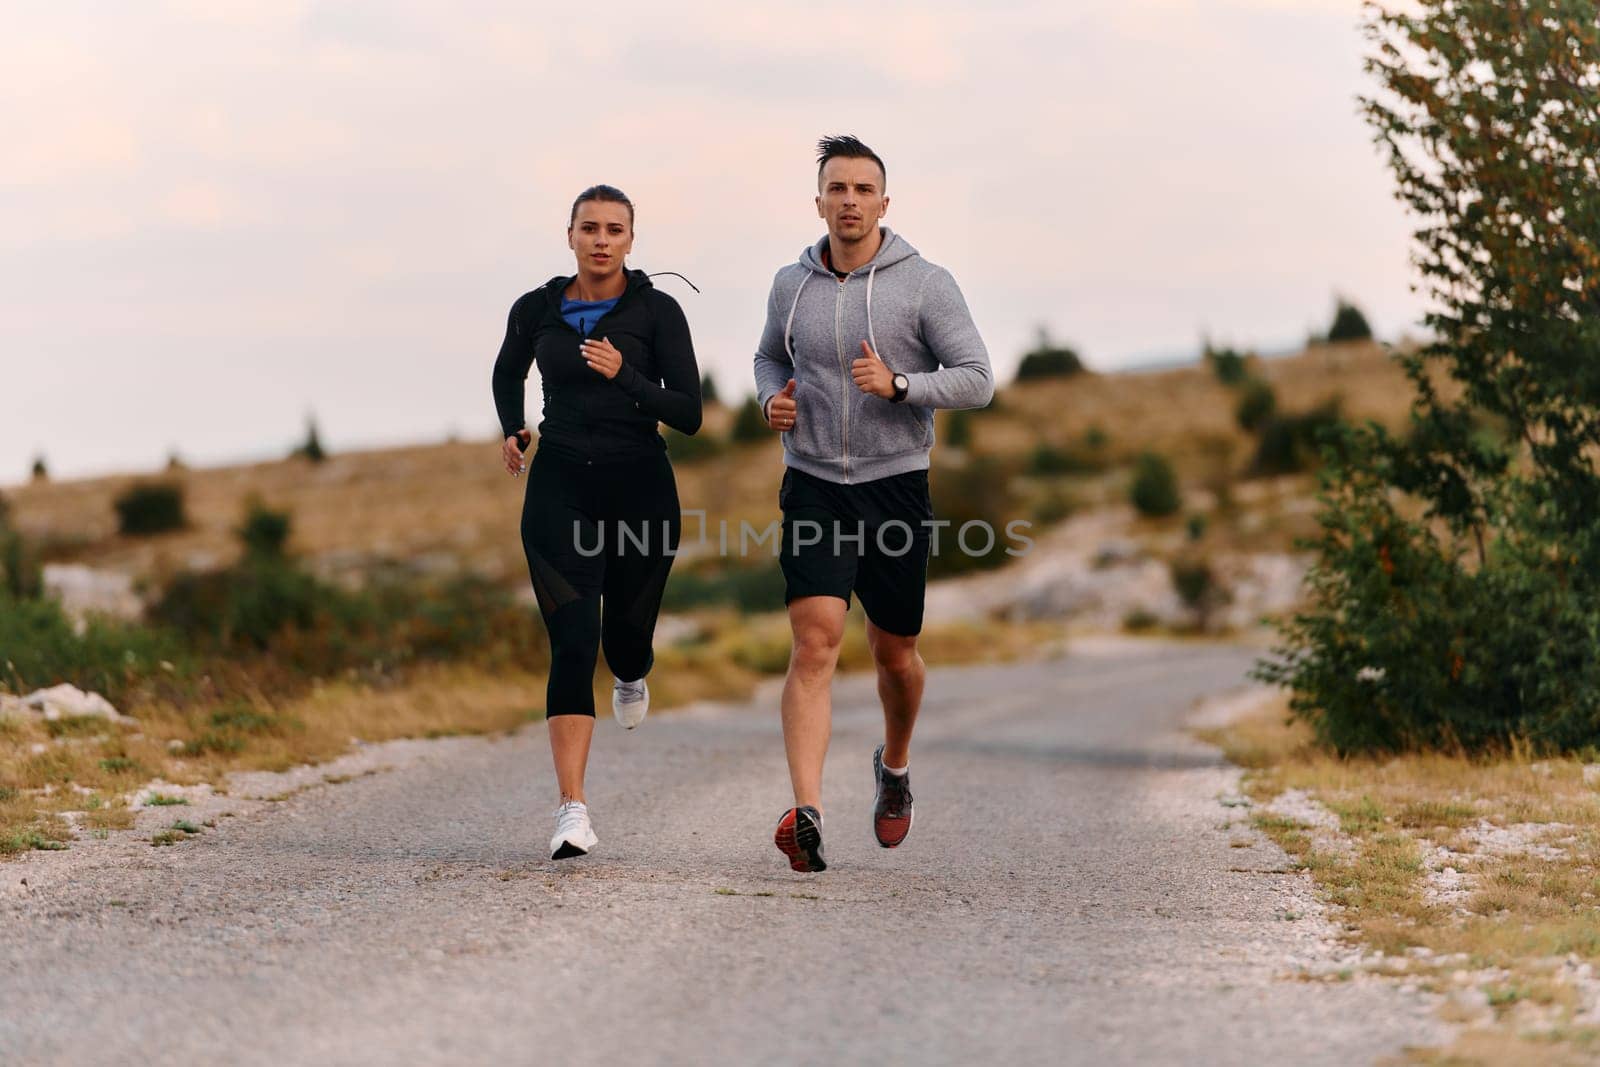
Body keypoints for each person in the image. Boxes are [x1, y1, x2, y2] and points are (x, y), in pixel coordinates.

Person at [752, 136, 994, 872]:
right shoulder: (790, 285)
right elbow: (769, 356)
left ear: (884, 204)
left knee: (896, 655)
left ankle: (894, 766)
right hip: (816, 481)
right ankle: (809, 813)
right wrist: (773, 401)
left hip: (894, 485)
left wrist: (901, 386)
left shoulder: (924, 284)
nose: (849, 200)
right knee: (817, 639)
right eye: (837, 188)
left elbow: (978, 378)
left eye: (863, 189)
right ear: (819, 200)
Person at [492, 184, 702, 860]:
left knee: (626, 640)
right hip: (561, 490)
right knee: (573, 641)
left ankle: (634, 671)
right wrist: (511, 429)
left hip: (641, 485)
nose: (602, 239)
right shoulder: (537, 308)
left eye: (615, 228)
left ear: (631, 240)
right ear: (571, 235)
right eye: (590, 227)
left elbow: (690, 411)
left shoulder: (657, 311)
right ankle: (571, 809)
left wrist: (625, 376)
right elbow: (507, 371)